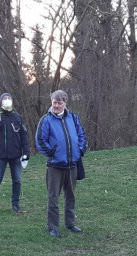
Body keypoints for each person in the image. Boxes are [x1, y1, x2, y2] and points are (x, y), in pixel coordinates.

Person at [35, 90, 87, 237]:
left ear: (65, 103)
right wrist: (51, 152)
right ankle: (53, 227)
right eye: (54, 102)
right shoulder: (45, 120)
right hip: (55, 166)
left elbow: (81, 134)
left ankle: (71, 224)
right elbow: (40, 140)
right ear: (51, 102)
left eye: (60, 102)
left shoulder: (73, 118)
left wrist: (81, 150)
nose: (57, 105)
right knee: (53, 198)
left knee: (71, 196)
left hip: (72, 165)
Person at [0, 93, 31, 215]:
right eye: (4, 99)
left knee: (17, 180)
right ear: (1, 102)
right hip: (0, 155)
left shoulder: (17, 117)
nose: (7, 100)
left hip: (15, 155)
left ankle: (16, 205)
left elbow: (24, 136)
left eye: (9, 98)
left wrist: (26, 152)